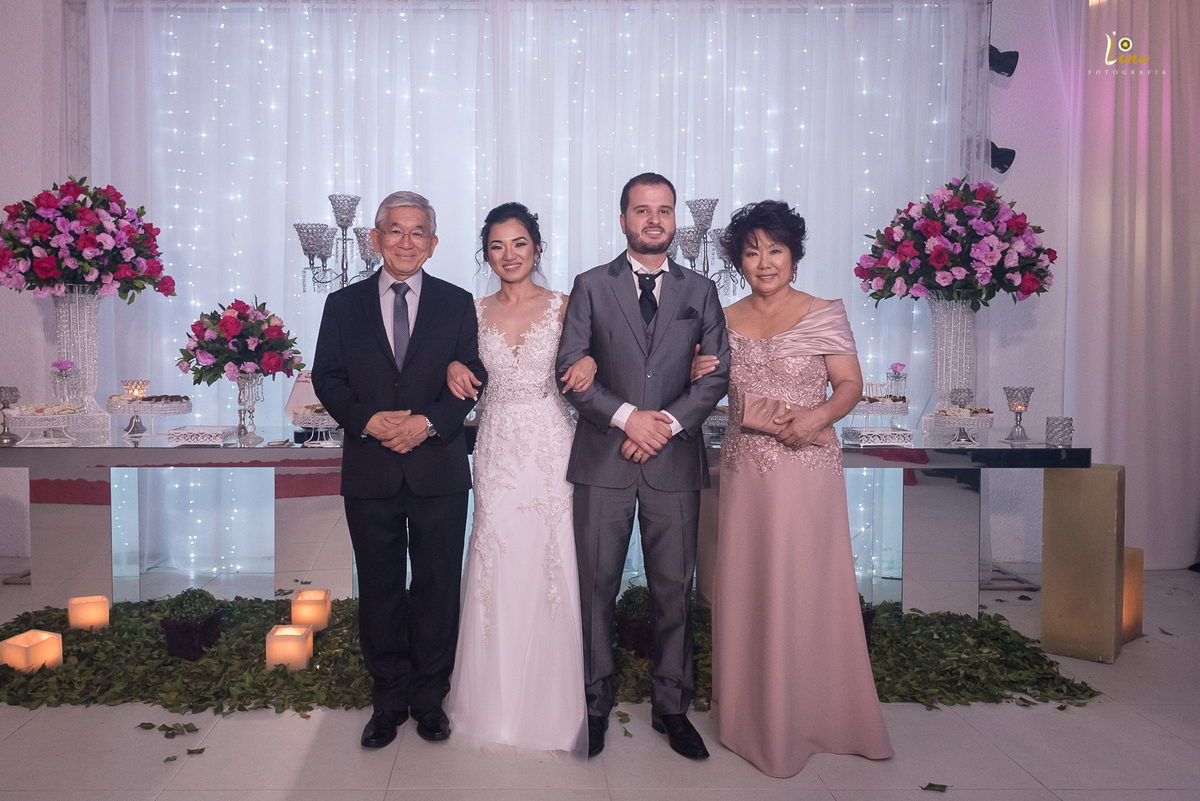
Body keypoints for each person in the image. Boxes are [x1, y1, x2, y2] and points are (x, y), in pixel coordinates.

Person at [708, 199, 893, 777]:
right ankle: (751, 716)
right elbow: (710, 384)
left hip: (806, 471)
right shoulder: (724, 315)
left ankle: (818, 713)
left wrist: (814, 419)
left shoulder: (823, 312)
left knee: (808, 587)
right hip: (743, 474)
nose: (765, 261)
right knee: (747, 586)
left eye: (776, 250)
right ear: (739, 259)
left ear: (795, 254)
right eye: (752, 251)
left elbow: (849, 385)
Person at [555, 173, 731, 760]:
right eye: (641, 210)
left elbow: (717, 376)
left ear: (675, 218)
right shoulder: (588, 286)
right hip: (604, 459)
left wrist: (665, 426)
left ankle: (672, 708)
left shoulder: (701, 291)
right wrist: (631, 418)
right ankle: (594, 704)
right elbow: (571, 369)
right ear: (622, 218)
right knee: (595, 587)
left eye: (663, 210)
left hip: (675, 464)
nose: (653, 220)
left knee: (673, 591)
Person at [311, 191, 485, 749]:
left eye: (418, 232)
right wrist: (369, 421)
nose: (405, 241)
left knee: (438, 585)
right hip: (371, 469)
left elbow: (473, 374)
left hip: (438, 470)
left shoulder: (459, 304)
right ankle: (387, 699)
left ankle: (430, 698)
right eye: (394, 230)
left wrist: (429, 424)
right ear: (375, 238)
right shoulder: (342, 305)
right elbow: (327, 378)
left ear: (433, 244)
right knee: (380, 586)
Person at [442, 202, 595, 755]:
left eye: (520, 243)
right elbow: (450, 359)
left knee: (551, 559)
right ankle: (491, 701)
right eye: (498, 246)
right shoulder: (471, 311)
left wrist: (594, 362)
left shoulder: (566, 305)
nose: (509, 255)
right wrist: (452, 366)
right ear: (486, 253)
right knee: (495, 557)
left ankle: (552, 703)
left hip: (553, 445)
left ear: (538, 248)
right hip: (496, 447)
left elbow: (600, 352)